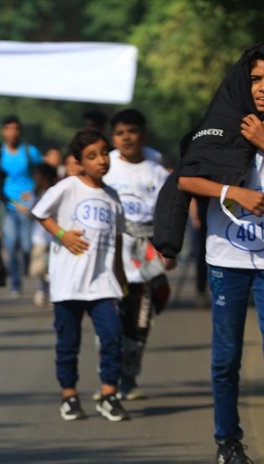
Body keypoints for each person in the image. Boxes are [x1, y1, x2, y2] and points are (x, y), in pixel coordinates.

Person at [177, 49, 264, 464]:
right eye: (256, 79)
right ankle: (228, 443)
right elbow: (187, 178)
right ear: (244, 81)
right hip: (225, 259)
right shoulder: (218, 125)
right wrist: (232, 193)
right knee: (226, 357)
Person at [31, 129, 129, 423]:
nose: (100, 160)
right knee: (68, 343)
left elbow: (119, 236)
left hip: (103, 283)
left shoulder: (112, 196)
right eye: (91, 156)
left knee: (112, 337)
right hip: (68, 284)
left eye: (103, 154)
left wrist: (121, 273)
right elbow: (39, 212)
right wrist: (62, 235)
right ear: (78, 161)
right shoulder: (68, 186)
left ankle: (109, 394)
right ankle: (69, 396)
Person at [104, 109, 172, 400]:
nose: (126, 138)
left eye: (132, 132)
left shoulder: (155, 170)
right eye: (120, 133)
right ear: (113, 137)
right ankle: (108, 379)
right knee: (109, 320)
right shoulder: (104, 165)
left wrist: (168, 248)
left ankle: (129, 379)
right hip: (109, 252)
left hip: (144, 254)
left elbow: (166, 213)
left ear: (142, 135)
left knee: (140, 321)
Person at [0, 115, 43, 297]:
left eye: (16, 129)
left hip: (27, 206)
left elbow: (43, 173)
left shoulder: (29, 151)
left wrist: (33, 192)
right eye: (8, 128)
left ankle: (26, 271)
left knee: (26, 246)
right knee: (10, 245)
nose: (12, 133)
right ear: (3, 131)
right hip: (8, 206)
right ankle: (15, 284)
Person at [29, 162, 59, 307]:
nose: (35, 178)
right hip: (39, 236)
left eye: (38, 175)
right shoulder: (35, 192)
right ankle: (41, 289)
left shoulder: (55, 191)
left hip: (53, 236)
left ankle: (53, 292)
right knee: (39, 268)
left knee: (53, 268)